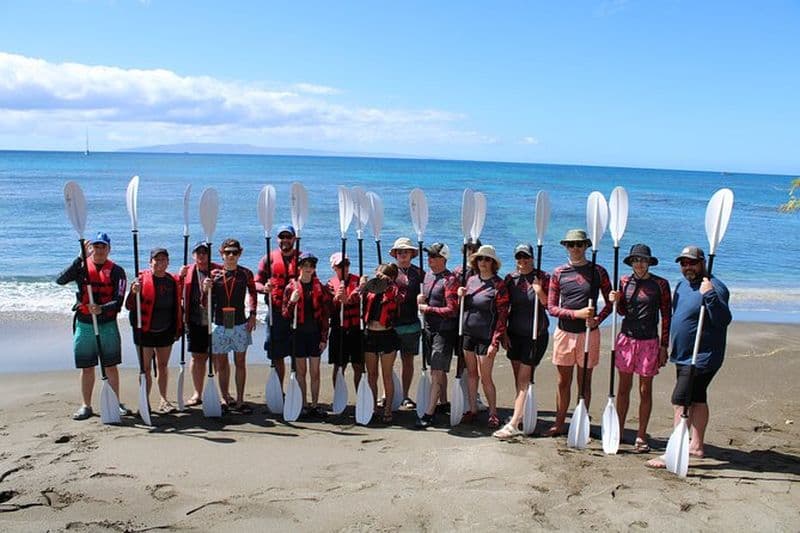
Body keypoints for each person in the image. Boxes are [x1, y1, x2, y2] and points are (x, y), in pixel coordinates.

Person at [646, 246, 731, 468]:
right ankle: (696, 445)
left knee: (680, 401)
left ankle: (674, 451)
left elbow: (723, 320)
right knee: (697, 398)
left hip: (702, 357)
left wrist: (709, 295)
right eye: (683, 263)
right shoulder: (682, 285)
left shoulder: (716, 287)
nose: (687, 267)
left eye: (692, 263)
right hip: (684, 355)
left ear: (702, 262)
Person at [56, 232, 130, 420]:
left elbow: (119, 301)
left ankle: (115, 402)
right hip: (85, 324)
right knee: (87, 367)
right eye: (95, 246)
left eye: (103, 247)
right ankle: (86, 405)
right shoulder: (81, 268)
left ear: (108, 249)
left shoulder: (117, 271)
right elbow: (60, 280)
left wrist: (101, 308)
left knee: (110, 366)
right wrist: (79, 258)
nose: (99, 250)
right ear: (90, 248)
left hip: (107, 325)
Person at [546, 229, 612, 437]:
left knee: (584, 382)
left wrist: (597, 320)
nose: (575, 248)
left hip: (588, 335)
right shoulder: (558, 273)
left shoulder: (598, 272)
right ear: (565, 246)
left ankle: (581, 419)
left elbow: (610, 303)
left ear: (586, 246)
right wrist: (577, 314)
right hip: (564, 333)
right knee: (563, 382)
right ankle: (559, 423)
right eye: (571, 245)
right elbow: (551, 307)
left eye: (579, 244)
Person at [608, 244, 671, 452]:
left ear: (649, 262)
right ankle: (619, 431)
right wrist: (616, 301)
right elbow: (623, 312)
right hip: (627, 339)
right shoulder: (624, 281)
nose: (639, 264)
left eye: (643, 260)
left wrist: (664, 345)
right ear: (631, 262)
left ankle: (641, 435)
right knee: (623, 388)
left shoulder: (660, 284)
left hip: (649, 342)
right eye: (636, 260)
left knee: (645, 390)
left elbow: (666, 316)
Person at [493, 244, 550, 439]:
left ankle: (513, 423)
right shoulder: (511, 279)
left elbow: (549, 304)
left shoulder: (542, 277)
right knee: (518, 377)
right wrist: (504, 333)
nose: (522, 260)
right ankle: (522, 413)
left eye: (526, 257)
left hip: (536, 335)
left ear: (532, 258)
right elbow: (504, 307)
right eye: (519, 257)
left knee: (524, 379)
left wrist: (539, 290)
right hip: (514, 333)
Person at [202, 238, 258, 413]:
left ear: (240, 253)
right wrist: (205, 290)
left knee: (240, 362)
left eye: (235, 252)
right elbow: (205, 303)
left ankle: (240, 400)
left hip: (240, 323)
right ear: (221, 254)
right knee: (221, 362)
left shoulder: (246, 273)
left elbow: (253, 294)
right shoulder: (214, 275)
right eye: (227, 252)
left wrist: (253, 315)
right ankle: (224, 397)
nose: (231, 256)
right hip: (219, 323)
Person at [457, 244, 509, 428]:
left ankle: (493, 413)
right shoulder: (470, 280)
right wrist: (460, 295)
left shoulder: (499, 285)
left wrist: (495, 342)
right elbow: (462, 305)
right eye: (480, 258)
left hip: (486, 337)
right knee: (471, 374)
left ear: (493, 263)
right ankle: (472, 409)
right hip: (468, 334)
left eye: (487, 259)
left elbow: (502, 316)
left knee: (485, 376)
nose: (483, 262)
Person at [126, 248, 183, 414]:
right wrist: (133, 292)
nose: (160, 263)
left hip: (165, 330)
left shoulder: (172, 281)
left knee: (163, 366)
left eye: (163, 260)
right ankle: (144, 401)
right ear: (150, 262)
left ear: (168, 262)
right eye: (156, 260)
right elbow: (129, 306)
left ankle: (164, 400)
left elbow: (179, 305)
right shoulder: (141, 281)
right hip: (145, 331)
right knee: (145, 368)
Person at [415, 243, 459, 428]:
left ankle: (429, 413)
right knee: (435, 369)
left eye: (434, 256)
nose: (430, 259)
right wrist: (420, 299)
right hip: (428, 329)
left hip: (444, 331)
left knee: (437, 371)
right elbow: (424, 298)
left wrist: (428, 308)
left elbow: (452, 309)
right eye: (429, 256)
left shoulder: (450, 280)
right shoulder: (427, 275)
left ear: (443, 259)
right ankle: (442, 403)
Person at [283, 252, 332, 418]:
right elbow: (285, 314)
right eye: (305, 265)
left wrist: (324, 338)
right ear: (299, 267)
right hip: (298, 336)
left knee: (315, 372)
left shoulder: (320, 288)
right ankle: (303, 403)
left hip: (315, 335)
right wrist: (292, 301)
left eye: (311, 266)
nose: (308, 268)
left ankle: (315, 404)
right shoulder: (291, 288)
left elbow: (326, 316)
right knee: (301, 373)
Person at [362, 263, 406, 424]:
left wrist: (390, 283)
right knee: (372, 375)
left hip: (387, 335)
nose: (379, 276)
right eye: (378, 273)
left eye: (383, 274)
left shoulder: (395, 291)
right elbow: (354, 298)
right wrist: (361, 286)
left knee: (386, 374)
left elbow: (400, 297)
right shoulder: (370, 288)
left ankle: (388, 408)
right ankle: (373, 407)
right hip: (370, 334)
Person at [179, 241, 221, 407]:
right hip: (195, 320)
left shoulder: (218, 270)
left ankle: (221, 393)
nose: (202, 255)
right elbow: (176, 291)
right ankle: (197, 393)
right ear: (193, 255)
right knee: (198, 357)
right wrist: (180, 277)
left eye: (205, 252)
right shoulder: (187, 271)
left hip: (216, 320)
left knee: (218, 357)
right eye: (198, 252)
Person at [390, 237, 424, 408]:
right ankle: (387, 393)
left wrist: (423, 300)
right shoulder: (389, 271)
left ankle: (405, 395)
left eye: (406, 251)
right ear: (395, 254)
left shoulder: (419, 273)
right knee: (387, 361)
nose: (402, 254)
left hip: (411, 323)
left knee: (407, 361)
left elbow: (431, 293)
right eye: (400, 252)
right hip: (390, 324)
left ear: (412, 254)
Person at [326, 252, 363, 391]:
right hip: (338, 330)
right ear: (334, 268)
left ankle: (360, 395)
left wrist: (349, 297)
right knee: (339, 365)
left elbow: (361, 297)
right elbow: (328, 309)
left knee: (358, 365)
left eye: (346, 264)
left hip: (355, 329)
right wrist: (337, 298)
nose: (345, 268)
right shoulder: (330, 285)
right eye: (341, 265)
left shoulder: (358, 281)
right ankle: (338, 395)